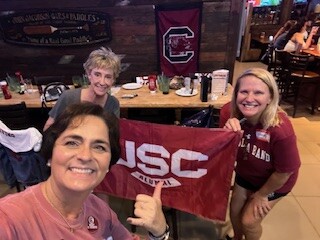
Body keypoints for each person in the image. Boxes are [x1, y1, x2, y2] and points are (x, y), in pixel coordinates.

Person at [0, 102, 169, 239]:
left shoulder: (99, 210)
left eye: (99, 147)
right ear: (49, 155)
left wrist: (160, 232)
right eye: (72, 143)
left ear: (108, 165)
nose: (85, 155)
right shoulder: (9, 219)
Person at [219, 68, 301, 240]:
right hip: (246, 171)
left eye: (258, 92)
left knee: (249, 221)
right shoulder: (228, 113)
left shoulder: (280, 130)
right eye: (244, 91)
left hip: (275, 181)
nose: (249, 98)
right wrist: (226, 135)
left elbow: (285, 172)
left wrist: (261, 195)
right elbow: (222, 154)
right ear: (236, 95)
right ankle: (236, 238)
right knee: (234, 210)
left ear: (270, 97)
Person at [43, 47, 121, 131]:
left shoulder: (113, 103)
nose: (102, 82)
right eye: (97, 75)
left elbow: (113, 135)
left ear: (113, 80)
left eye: (108, 77)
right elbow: (48, 129)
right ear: (89, 74)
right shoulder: (68, 97)